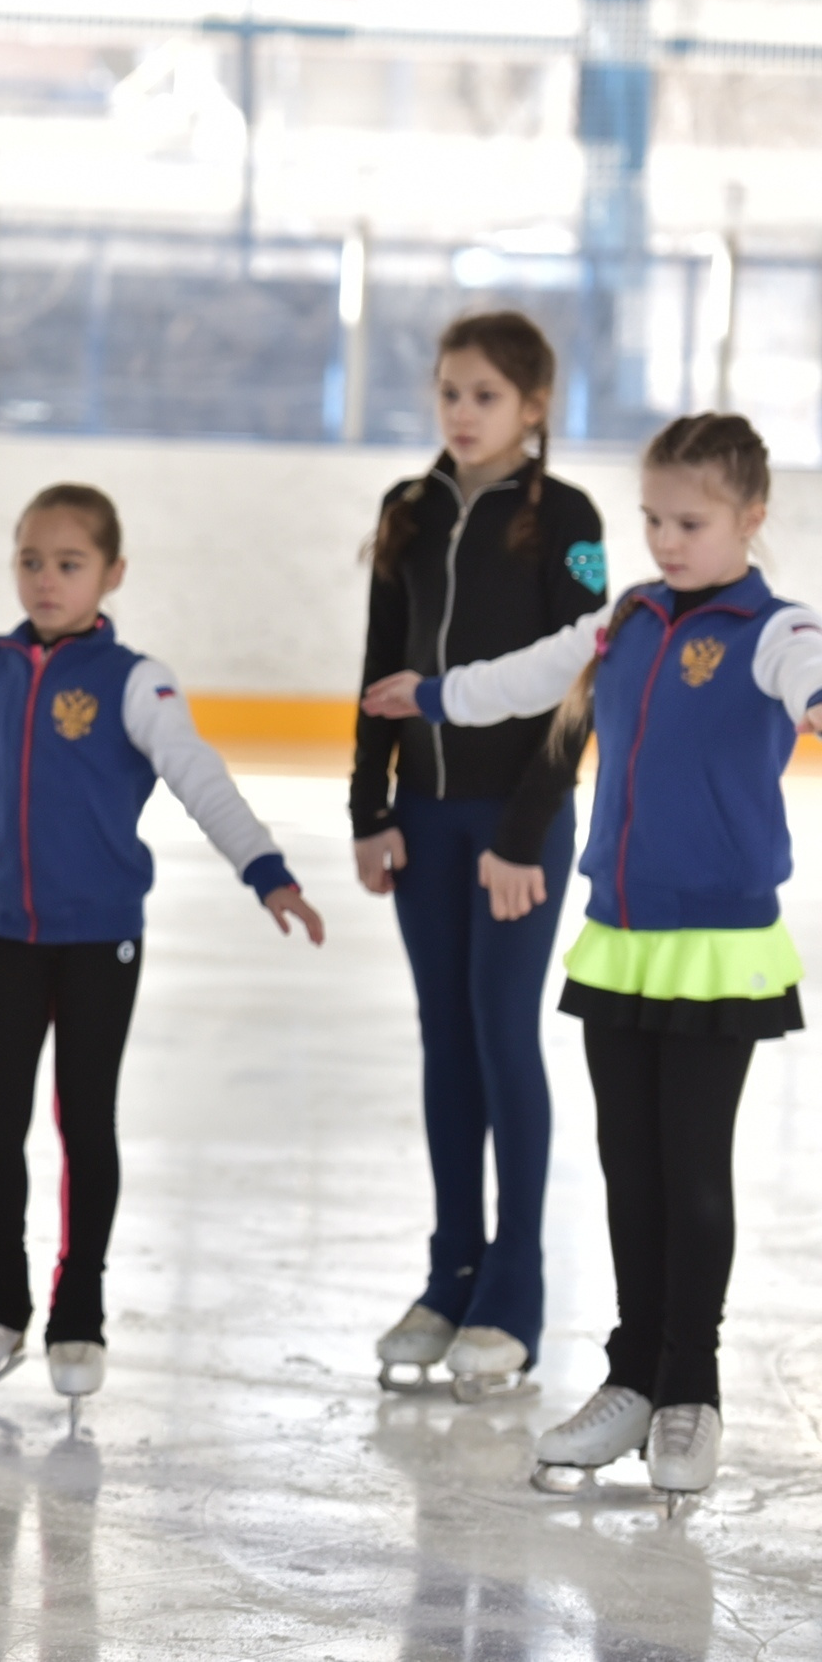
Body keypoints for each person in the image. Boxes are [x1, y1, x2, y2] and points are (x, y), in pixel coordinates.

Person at [363, 413, 814, 1505]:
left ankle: (689, 1391)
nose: (665, 539)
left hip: (715, 943)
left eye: (690, 521)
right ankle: (629, 1378)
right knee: (628, 1164)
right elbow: (526, 678)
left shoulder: (774, 626)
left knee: (691, 1167)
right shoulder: (627, 619)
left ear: (751, 518)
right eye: (653, 517)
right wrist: (431, 695)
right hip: (619, 930)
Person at [0, 484, 324, 1405]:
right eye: (30, 561)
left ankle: (80, 1307)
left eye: (68, 564)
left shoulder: (135, 680)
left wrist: (265, 869)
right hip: (5, 933)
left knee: (84, 1123)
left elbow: (199, 778)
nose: (46, 581)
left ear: (112, 573)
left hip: (100, 940)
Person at [349, 311, 607, 1402]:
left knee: (504, 1039)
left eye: (486, 395)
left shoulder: (568, 520)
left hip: (519, 821)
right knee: (444, 1042)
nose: (462, 412)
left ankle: (516, 1290)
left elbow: (581, 680)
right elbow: (377, 664)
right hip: (426, 816)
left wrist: (517, 833)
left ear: (533, 407)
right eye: (449, 391)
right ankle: (448, 1273)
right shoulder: (407, 511)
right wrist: (370, 806)